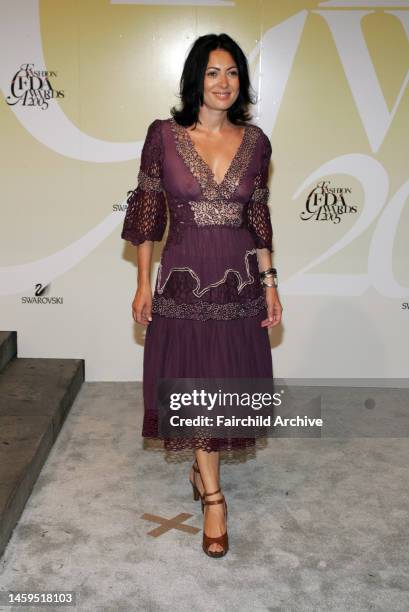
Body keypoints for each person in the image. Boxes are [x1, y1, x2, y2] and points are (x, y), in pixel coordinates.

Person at [121, 33, 283, 558]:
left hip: (236, 281)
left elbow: (258, 217)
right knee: (195, 379)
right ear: (196, 78)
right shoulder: (163, 136)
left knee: (223, 381)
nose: (224, 83)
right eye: (214, 72)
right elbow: (148, 213)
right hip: (184, 280)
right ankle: (214, 497)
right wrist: (143, 281)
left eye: (233, 73)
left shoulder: (256, 144)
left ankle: (201, 466)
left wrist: (271, 283)